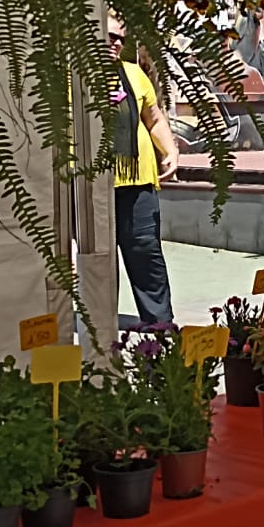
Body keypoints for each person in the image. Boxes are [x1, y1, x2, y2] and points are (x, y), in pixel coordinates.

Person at [108, 17, 179, 326]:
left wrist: (171, 150)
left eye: (119, 38)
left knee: (146, 252)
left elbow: (154, 118)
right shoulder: (71, 78)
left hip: (137, 182)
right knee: (96, 259)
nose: (115, 43)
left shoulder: (135, 74)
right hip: (91, 186)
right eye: (108, 35)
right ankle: (97, 322)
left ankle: (160, 323)